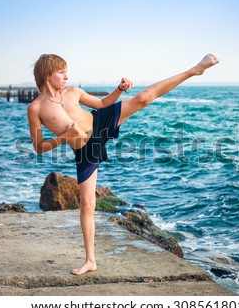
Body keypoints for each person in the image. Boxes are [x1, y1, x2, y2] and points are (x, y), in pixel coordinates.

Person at [27, 53, 219, 275]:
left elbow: (102, 104)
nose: (66, 76)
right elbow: (38, 147)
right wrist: (63, 137)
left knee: (143, 98)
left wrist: (118, 90)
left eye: (66, 71)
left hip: (99, 122)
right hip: (84, 150)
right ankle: (90, 260)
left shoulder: (73, 92)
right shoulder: (36, 108)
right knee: (88, 205)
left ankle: (194, 70)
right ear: (47, 74)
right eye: (62, 72)